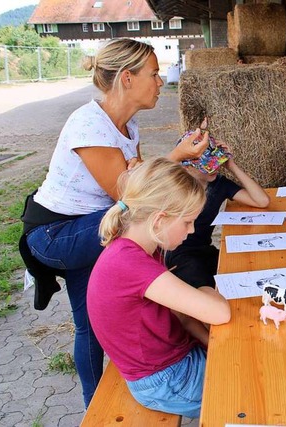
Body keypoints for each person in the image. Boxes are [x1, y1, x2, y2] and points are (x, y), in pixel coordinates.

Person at [19, 38, 209, 407]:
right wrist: (177, 156)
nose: (160, 82)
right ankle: (105, 400)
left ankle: (98, 403)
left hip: (86, 225)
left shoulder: (128, 125)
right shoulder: (89, 124)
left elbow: (137, 181)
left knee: (88, 324)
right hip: (57, 234)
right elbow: (131, 196)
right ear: (126, 78)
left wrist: (166, 164)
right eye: (154, 74)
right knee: (139, 234)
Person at [87, 158, 231, 418]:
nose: (192, 231)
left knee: (246, 359)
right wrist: (204, 287)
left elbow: (182, 318)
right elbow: (219, 312)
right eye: (188, 222)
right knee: (252, 388)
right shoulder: (132, 263)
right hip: (165, 380)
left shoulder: (136, 248)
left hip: (166, 364)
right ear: (159, 220)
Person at [165, 130, 270, 288]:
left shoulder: (219, 184)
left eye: (216, 161)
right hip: (180, 252)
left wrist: (231, 165)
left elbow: (262, 201)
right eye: (207, 166)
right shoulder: (176, 186)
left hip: (205, 249)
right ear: (186, 167)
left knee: (244, 270)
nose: (214, 168)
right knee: (204, 287)